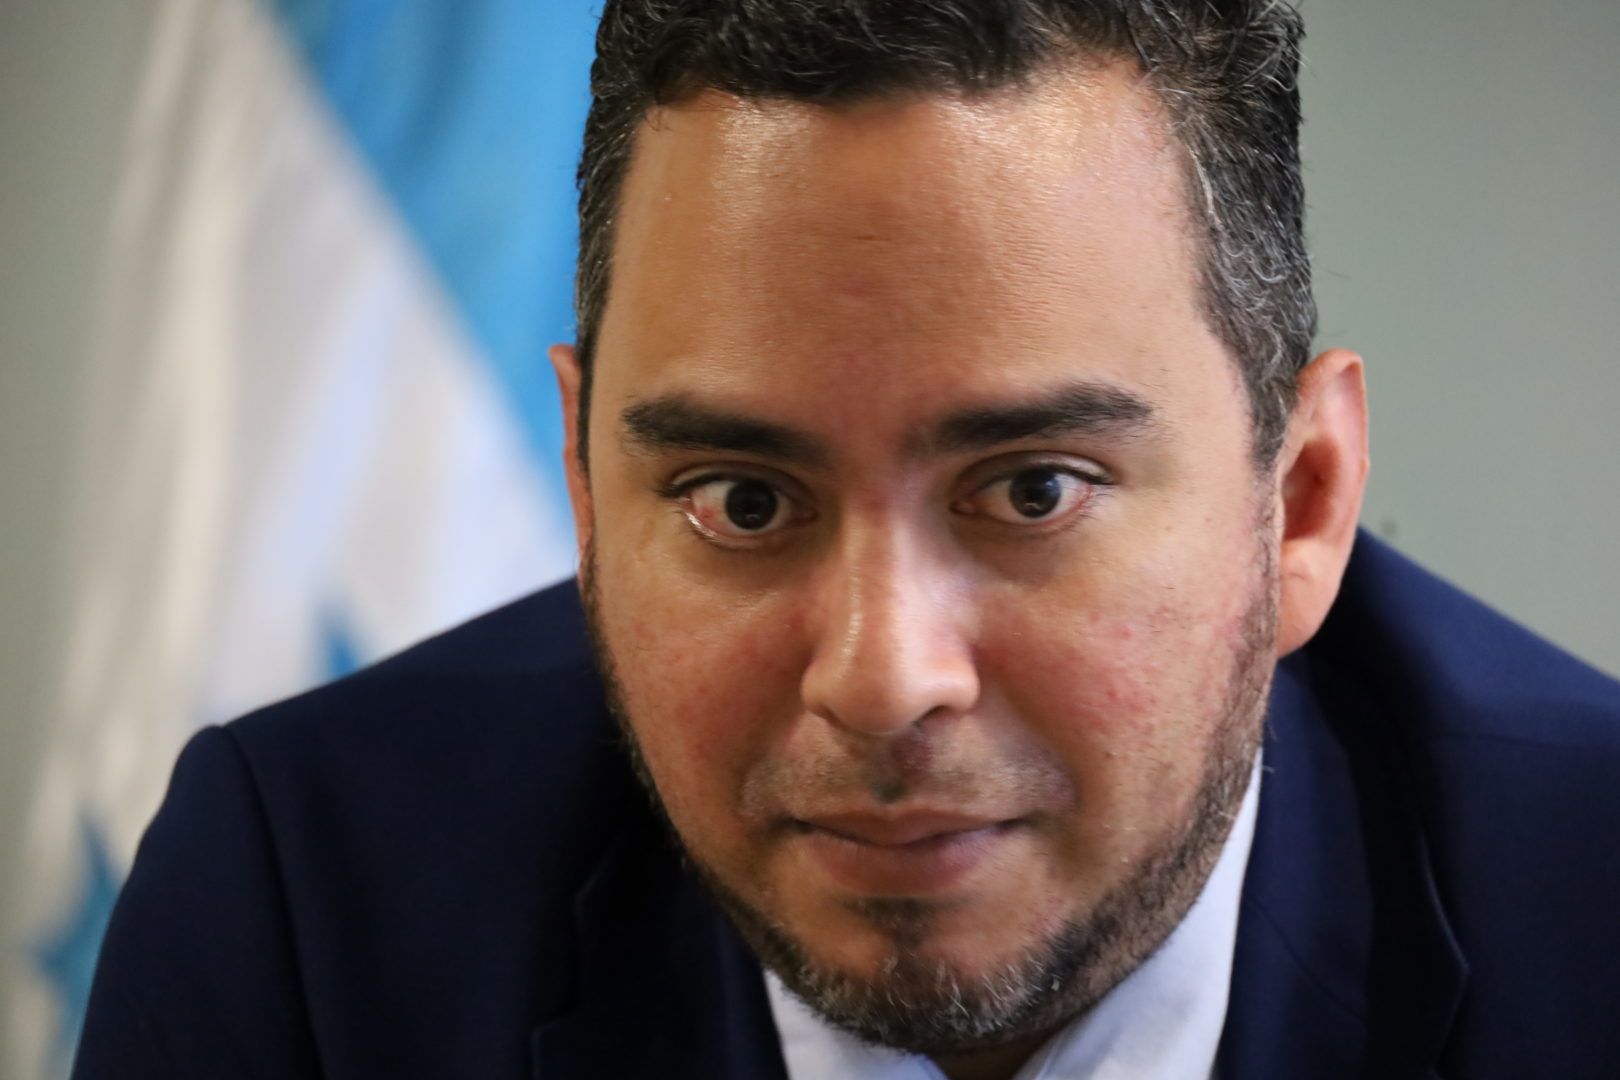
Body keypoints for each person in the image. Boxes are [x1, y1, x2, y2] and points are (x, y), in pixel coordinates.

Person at [73, 1, 1620, 1078]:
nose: (883, 681)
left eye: (1034, 490)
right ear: (586, 487)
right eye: (742, 501)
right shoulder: (305, 909)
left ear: (1302, 505)